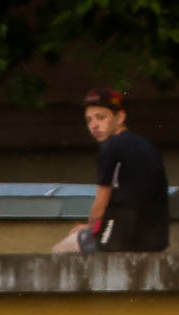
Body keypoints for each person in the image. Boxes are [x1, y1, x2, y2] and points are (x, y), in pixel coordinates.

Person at [55, 88, 172, 254]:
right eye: (89, 120)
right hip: (156, 238)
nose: (94, 125)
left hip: (120, 235)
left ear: (120, 118)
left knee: (59, 252)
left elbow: (100, 205)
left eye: (100, 117)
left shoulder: (110, 147)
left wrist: (89, 226)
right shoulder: (147, 146)